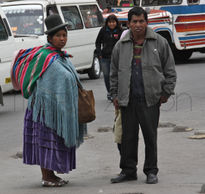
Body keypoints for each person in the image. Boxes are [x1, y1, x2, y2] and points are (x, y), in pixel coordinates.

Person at [11, 14, 86, 187]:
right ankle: (47, 177)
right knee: (45, 143)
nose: (62, 39)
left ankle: (51, 175)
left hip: (53, 109)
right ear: (50, 38)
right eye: (58, 36)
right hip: (44, 110)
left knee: (51, 143)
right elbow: (59, 78)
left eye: (64, 35)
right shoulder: (46, 56)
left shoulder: (59, 55)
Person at [110, 7, 176, 184]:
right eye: (134, 21)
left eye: (141, 21)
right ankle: (128, 170)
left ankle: (151, 171)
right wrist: (114, 95)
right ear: (129, 23)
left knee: (150, 137)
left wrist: (165, 93)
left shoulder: (159, 42)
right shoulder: (120, 45)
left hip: (150, 100)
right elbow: (114, 72)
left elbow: (170, 71)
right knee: (127, 138)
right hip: (127, 100)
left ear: (147, 22)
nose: (138, 25)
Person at [95, 14, 122, 101]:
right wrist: (99, 52)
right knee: (106, 75)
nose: (111, 24)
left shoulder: (120, 31)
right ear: (107, 23)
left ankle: (116, 92)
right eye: (110, 22)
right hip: (105, 57)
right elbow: (98, 42)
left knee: (116, 75)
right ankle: (109, 92)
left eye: (113, 22)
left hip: (117, 58)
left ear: (116, 22)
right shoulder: (103, 30)